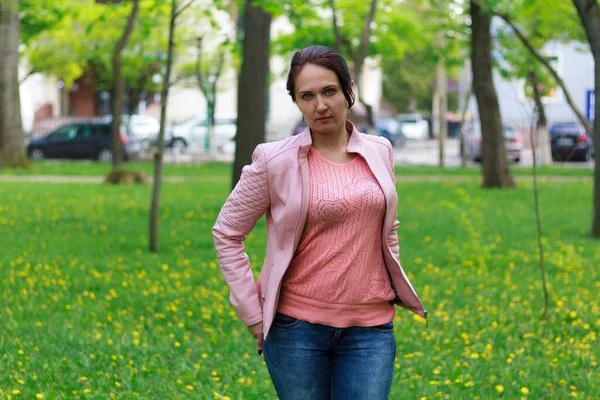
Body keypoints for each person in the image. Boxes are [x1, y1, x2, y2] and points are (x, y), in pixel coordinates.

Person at [212, 45, 427, 400]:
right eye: (307, 96)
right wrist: (251, 311)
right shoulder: (274, 160)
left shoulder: (380, 150)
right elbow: (227, 232)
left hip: (371, 330)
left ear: (349, 90)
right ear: (296, 102)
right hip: (297, 329)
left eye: (329, 91)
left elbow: (387, 229)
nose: (320, 105)